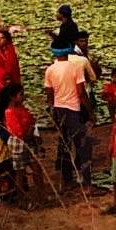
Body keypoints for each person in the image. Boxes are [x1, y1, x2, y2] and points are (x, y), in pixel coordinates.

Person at [44, 39, 96, 192]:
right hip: (73, 109)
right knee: (83, 145)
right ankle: (87, 184)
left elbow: (49, 94)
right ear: (68, 50)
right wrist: (91, 112)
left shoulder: (50, 70)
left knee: (64, 145)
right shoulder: (75, 68)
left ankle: (67, 180)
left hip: (60, 110)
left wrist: (53, 110)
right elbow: (81, 93)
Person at [3, 84, 44, 209]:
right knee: (20, 173)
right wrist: (30, 130)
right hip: (19, 144)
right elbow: (18, 133)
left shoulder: (22, 108)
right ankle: (22, 200)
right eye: (21, 94)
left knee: (37, 169)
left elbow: (31, 120)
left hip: (29, 141)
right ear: (13, 97)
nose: (23, 96)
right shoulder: (10, 112)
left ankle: (40, 196)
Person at [70, 30, 101, 123]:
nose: (84, 43)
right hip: (82, 87)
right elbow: (92, 77)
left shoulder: (82, 53)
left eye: (86, 41)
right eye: (81, 41)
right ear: (76, 42)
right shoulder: (78, 56)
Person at [0, 28, 22, 95]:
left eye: (2, 38)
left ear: (6, 40)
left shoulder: (10, 51)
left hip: (7, 81)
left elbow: (11, 69)